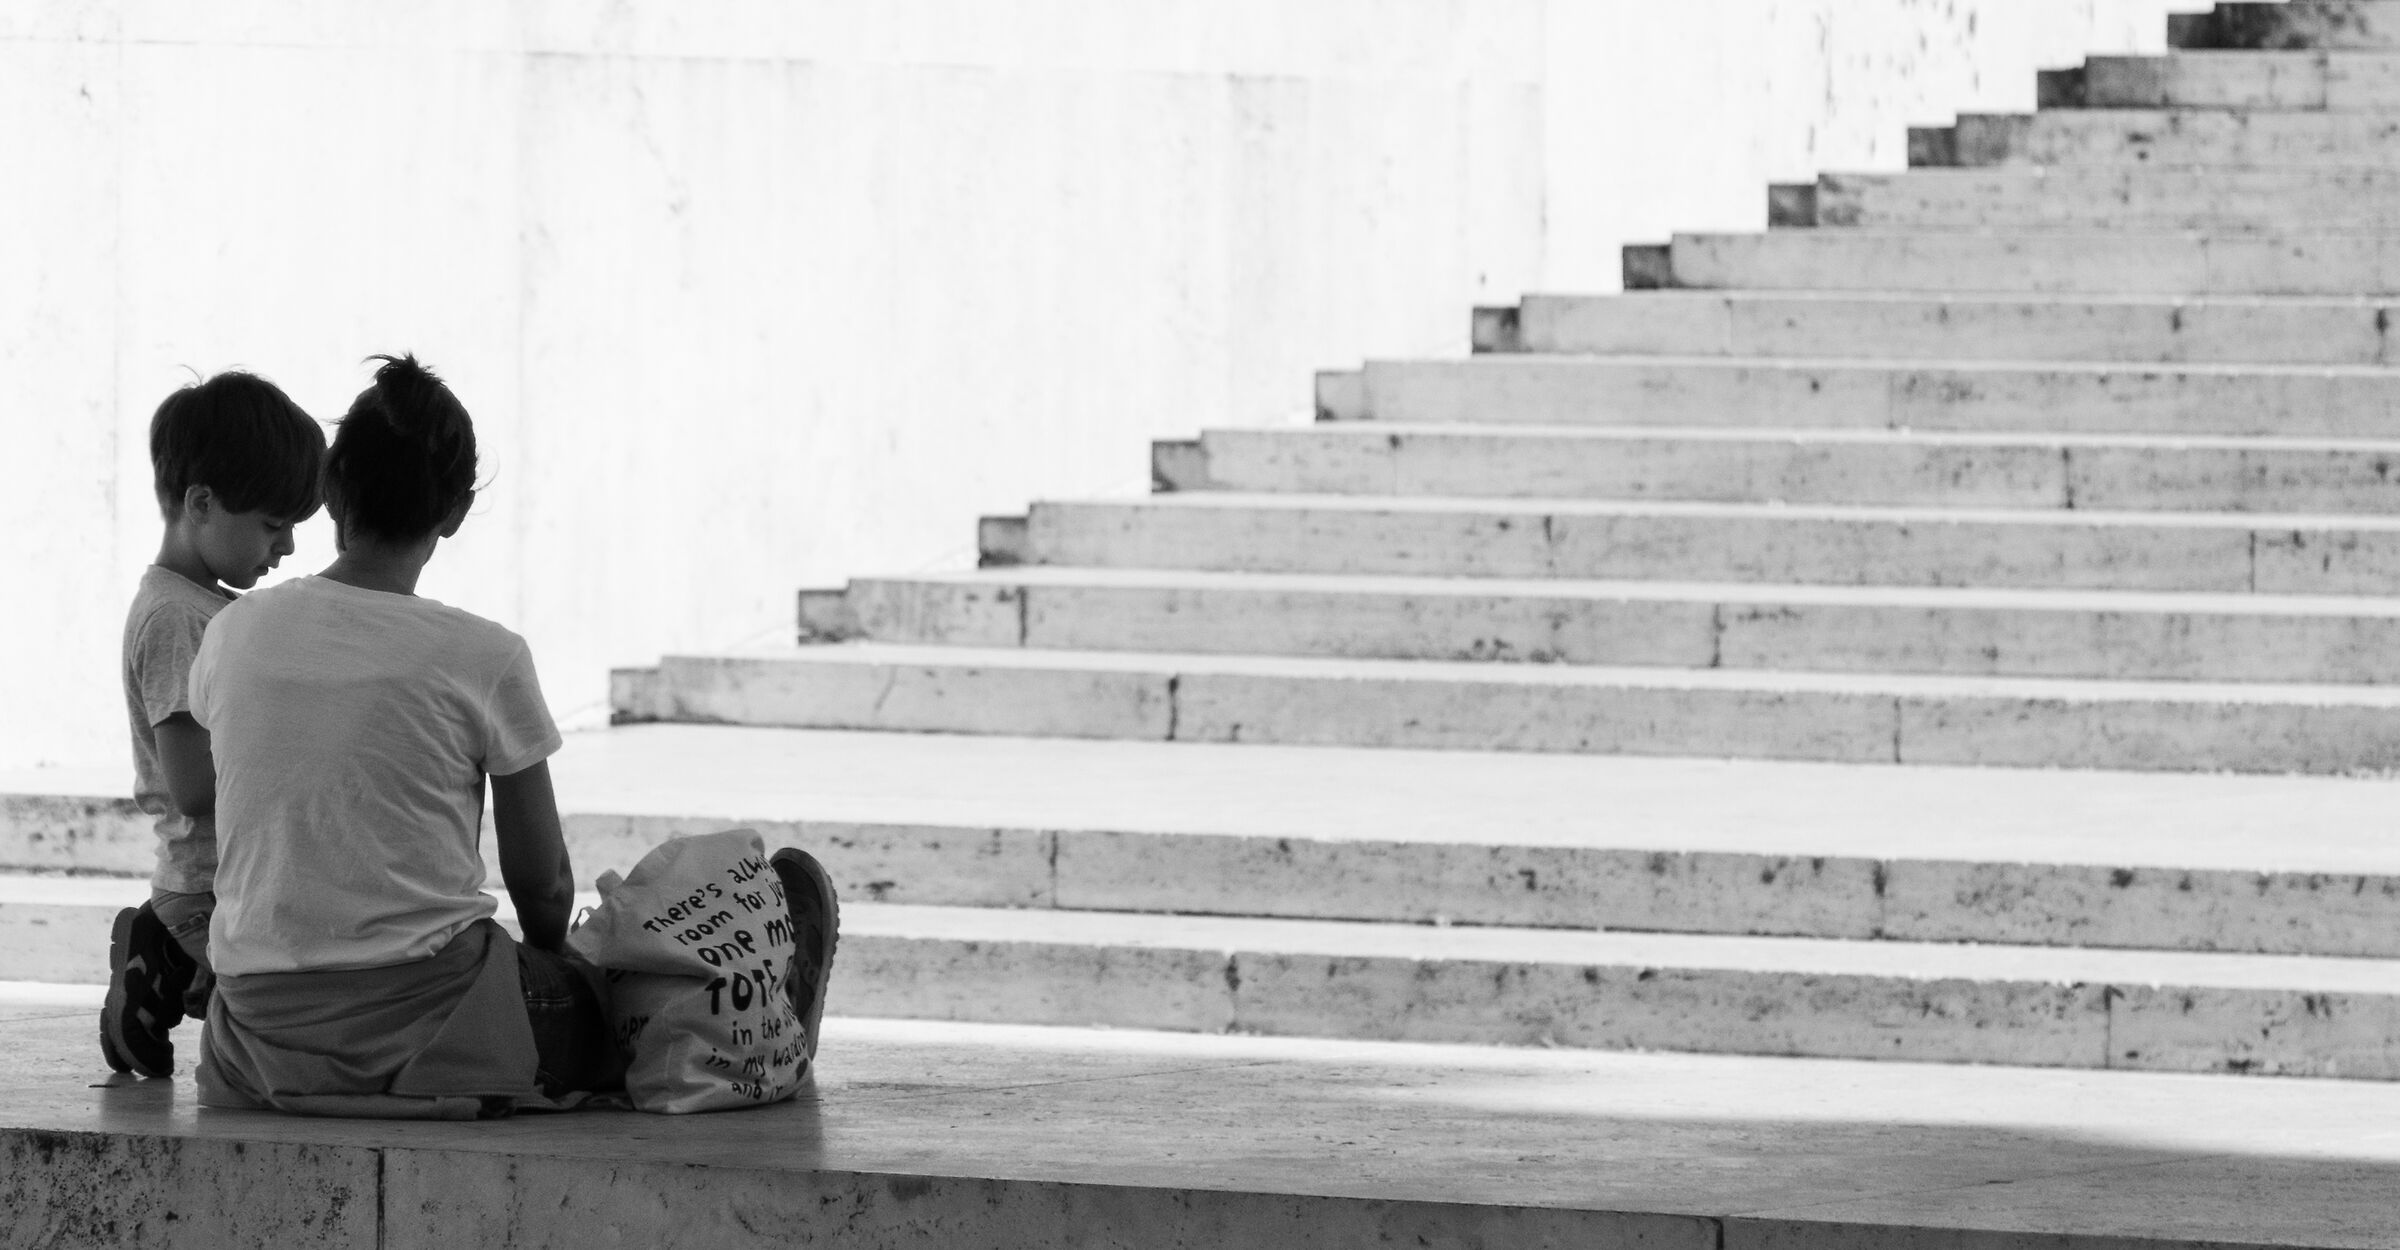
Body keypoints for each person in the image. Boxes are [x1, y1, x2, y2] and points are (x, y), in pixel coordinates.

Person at [188, 354, 837, 1116]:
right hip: (434, 1025)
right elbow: (543, 881)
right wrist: (557, 963)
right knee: (630, 997)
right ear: (455, 511)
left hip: (259, 1041)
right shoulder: (484, 656)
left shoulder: (233, 633)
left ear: (331, 492)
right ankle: (770, 1007)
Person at [104, 371, 325, 1079]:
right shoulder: (176, 618)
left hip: (229, 877)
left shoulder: (211, 608)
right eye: (271, 524)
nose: (286, 546)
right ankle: (165, 958)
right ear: (201, 502)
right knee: (284, 1036)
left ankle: (169, 957)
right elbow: (194, 786)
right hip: (209, 886)